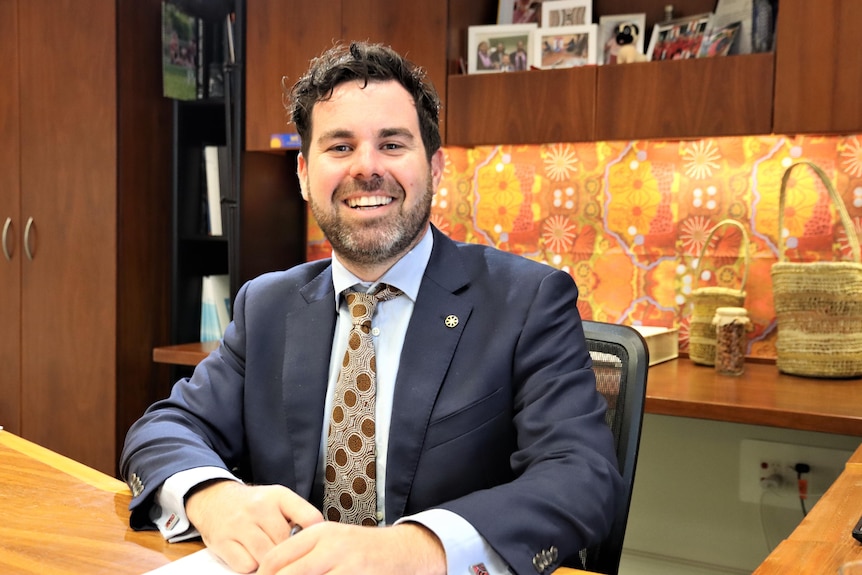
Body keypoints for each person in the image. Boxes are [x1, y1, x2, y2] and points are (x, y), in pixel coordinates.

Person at [120, 41, 622, 575]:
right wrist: (214, 497)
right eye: (339, 147)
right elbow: (164, 429)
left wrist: (412, 549)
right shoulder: (268, 304)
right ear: (303, 174)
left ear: (434, 167)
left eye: (392, 144)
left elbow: (581, 476)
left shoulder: (527, 300)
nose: (366, 168)